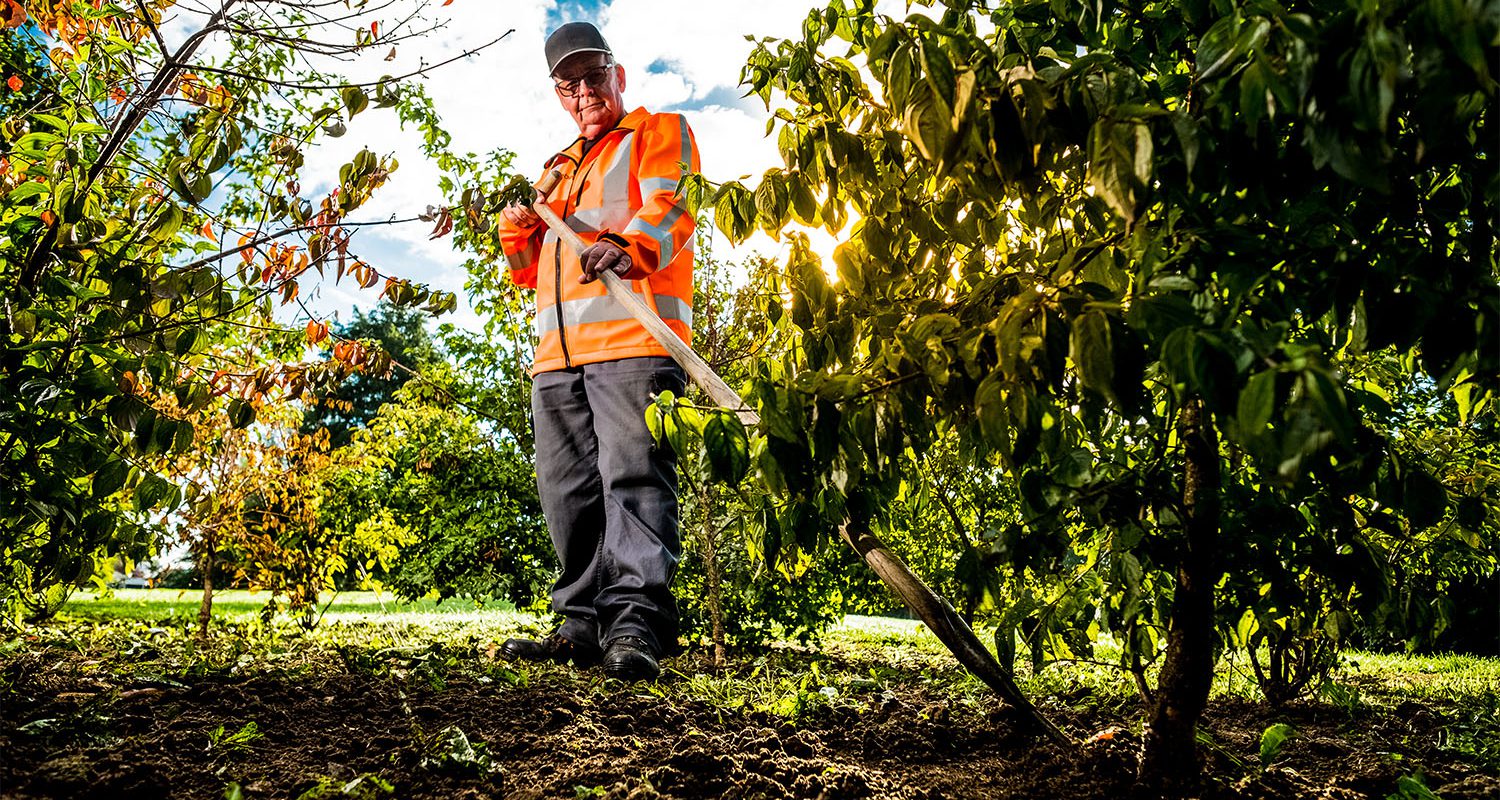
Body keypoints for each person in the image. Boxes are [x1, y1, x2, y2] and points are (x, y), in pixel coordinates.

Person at [494, 21, 700, 682]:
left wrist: (630, 248)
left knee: (635, 482)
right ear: (559, 94)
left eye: (593, 75)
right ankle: (580, 624)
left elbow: (671, 208)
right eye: (569, 82)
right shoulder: (556, 169)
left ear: (619, 76)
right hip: (557, 358)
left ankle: (636, 623)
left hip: (636, 341)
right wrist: (516, 227)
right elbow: (530, 269)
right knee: (569, 494)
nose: (583, 90)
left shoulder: (656, 133)